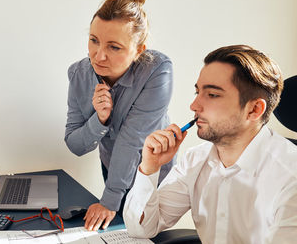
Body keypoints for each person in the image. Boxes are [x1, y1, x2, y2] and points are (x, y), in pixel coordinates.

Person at [124, 45, 297, 243]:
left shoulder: (291, 180)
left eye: (212, 95)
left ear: (254, 109)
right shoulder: (196, 160)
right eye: (197, 92)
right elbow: (141, 229)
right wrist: (149, 167)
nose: (194, 105)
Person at [65, 0, 174, 231]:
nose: (99, 55)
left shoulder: (157, 70)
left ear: (139, 50)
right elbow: (75, 144)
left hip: (154, 175)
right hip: (114, 168)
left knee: (147, 234)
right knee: (118, 233)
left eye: (114, 47)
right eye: (94, 40)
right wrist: (99, 121)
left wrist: (109, 200)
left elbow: (132, 139)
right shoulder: (78, 74)